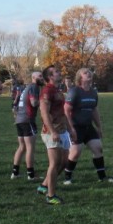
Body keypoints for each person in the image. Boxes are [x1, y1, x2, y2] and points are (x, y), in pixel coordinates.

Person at [63, 68, 113, 185]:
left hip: (88, 126)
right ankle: (67, 178)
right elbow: (66, 111)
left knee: (98, 148)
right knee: (75, 153)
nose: (89, 74)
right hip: (76, 126)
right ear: (80, 77)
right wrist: (71, 128)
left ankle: (102, 177)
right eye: (85, 72)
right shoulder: (74, 91)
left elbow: (94, 110)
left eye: (89, 72)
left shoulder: (93, 92)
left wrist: (99, 127)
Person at [37, 65, 75, 205]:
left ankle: (44, 186)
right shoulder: (47, 91)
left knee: (63, 162)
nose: (60, 73)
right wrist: (52, 131)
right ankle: (50, 196)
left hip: (63, 131)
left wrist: (70, 130)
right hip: (51, 132)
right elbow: (44, 113)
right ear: (50, 77)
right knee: (54, 164)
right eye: (57, 72)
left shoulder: (57, 90)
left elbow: (63, 113)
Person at [11, 71, 44, 180]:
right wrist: (45, 101)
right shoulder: (34, 87)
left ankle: (15, 173)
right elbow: (34, 102)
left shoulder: (26, 87)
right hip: (28, 120)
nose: (42, 78)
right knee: (30, 148)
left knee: (21, 147)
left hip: (19, 120)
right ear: (33, 78)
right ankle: (31, 175)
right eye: (40, 76)